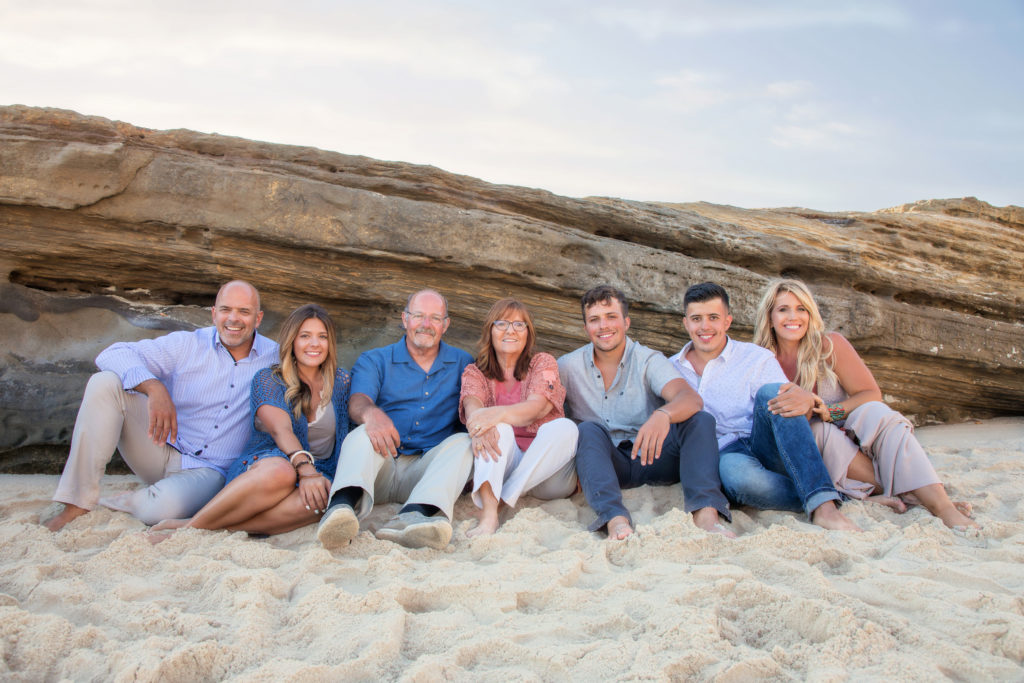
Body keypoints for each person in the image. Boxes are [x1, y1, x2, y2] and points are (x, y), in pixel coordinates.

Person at [43, 280, 278, 531]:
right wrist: (153, 386)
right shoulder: (186, 344)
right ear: (213, 313)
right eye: (226, 309)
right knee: (105, 383)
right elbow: (110, 354)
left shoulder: (275, 358)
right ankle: (77, 503)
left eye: (244, 311)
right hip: (161, 447)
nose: (233, 318)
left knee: (157, 511)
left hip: (209, 471)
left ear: (258, 318)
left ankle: (132, 500)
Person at [753, 278, 977, 529]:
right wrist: (814, 412)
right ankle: (917, 495)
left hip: (851, 431)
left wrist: (831, 411)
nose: (793, 316)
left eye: (801, 308)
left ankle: (943, 508)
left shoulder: (829, 345)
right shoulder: (759, 359)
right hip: (813, 448)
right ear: (770, 317)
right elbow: (780, 424)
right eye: (783, 309)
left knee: (878, 412)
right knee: (819, 431)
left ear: (810, 314)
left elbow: (870, 392)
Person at [669, 282, 859, 531]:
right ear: (686, 323)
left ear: (727, 321)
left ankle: (825, 508)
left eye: (713, 317)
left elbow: (790, 403)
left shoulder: (755, 357)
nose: (705, 326)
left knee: (776, 392)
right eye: (697, 319)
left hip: (764, 442)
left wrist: (806, 399)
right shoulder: (670, 369)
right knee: (737, 477)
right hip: (725, 454)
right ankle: (834, 496)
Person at [150, 304, 352, 537]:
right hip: (268, 468)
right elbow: (281, 430)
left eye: (322, 337)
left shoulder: (341, 382)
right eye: (305, 336)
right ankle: (189, 529)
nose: (314, 344)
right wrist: (305, 470)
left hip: (317, 474)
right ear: (291, 341)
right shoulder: (269, 380)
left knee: (325, 498)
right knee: (282, 471)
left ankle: (214, 527)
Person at [559, 285, 733, 541]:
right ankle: (615, 520)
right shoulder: (567, 366)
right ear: (585, 328)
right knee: (587, 429)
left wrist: (663, 415)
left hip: (653, 454)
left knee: (700, 420)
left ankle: (706, 515)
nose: (603, 326)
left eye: (611, 317)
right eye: (594, 320)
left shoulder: (648, 359)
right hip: (606, 464)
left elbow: (690, 398)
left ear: (626, 322)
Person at [316, 289, 474, 550]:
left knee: (464, 442)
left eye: (435, 318)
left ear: (445, 325)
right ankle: (341, 508)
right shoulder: (376, 359)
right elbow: (357, 401)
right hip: (381, 465)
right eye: (418, 316)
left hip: (424, 474)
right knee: (362, 433)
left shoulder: (462, 363)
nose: (425, 325)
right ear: (404, 319)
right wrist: (371, 413)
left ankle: (414, 514)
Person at [459, 298, 579, 537]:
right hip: (505, 466)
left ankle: (503, 499)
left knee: (566, 428)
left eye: (519, 325)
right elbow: (473, 407)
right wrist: (481, 422)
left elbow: (538, 408)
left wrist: (495, 414)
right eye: (501, 323)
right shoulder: (475, 372)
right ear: (490, 330)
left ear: (528, 333)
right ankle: (490, 516)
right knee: (496, 429)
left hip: (549, 474)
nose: (510, 330)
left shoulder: (542, 363)